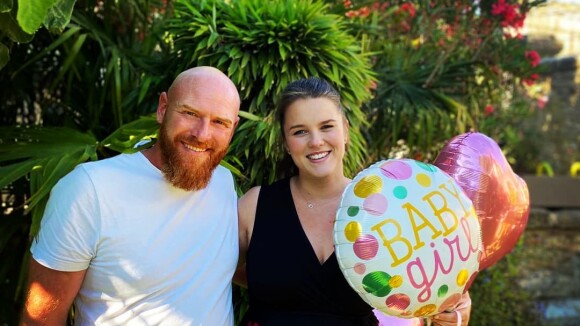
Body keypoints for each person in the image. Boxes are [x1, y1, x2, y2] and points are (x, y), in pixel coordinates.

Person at [235, 77, 471, 326]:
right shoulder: (255, 206)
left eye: (327, 126)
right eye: (300, 131)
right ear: (286, 142)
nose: (316, 141)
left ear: (345, 130)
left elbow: (435, 281)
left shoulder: (386, 206)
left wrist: (455, 313)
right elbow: (212, 269)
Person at [21, 66, 241, 325]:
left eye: (219, 122)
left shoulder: (224, 183)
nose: (202, 134)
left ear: (233, 127)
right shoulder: (90, 189)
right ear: (163, 108)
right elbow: (40, 320)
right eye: (190, 113)